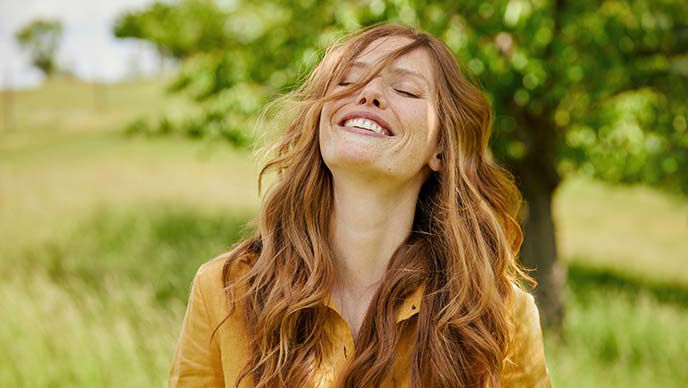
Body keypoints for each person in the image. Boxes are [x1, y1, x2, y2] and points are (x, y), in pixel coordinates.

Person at [169, 22, 552, 388]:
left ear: (440, 149)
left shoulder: (499, 313)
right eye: (348, 81)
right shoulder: (223, 289)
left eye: (405, 90)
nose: (369, 95)